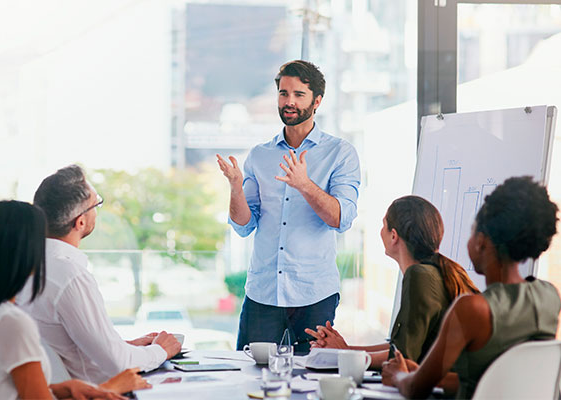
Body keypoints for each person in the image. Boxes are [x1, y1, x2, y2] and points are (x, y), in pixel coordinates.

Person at [217, 60, 361, 352]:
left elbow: (341, 218)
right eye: (283, 94)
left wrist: (304, 184)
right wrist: (235, 186)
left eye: (298, 94)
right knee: (251, 374)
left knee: (311, 377)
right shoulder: (259, 155)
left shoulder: (340, 153)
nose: (289, 102)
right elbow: (244, 225)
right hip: (263, 293)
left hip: (314, 295)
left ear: (317, 101)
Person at [382, 176, 561, 399]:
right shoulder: (549, 297)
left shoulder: (471, 309)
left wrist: (399, 375)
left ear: (480, 242)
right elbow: (493, 377)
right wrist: (421, 373)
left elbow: (416, 388)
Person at [0, 200, 149, 399]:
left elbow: (15, 392)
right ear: (28, 251)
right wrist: (109, 388)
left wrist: (68, 387)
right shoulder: (12, 323)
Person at [16, 165, 181, 385]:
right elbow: (117, 364)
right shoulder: (69, 277)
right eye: (97, 204)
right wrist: (161, 351)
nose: (98, 210)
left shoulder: (27, 267)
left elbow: (71, 348)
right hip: (98, 391)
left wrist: (125, 345)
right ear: (80, 221)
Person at [306, 196, 479, 369]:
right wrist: (345, 349)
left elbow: (401, 357)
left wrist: (344, 355)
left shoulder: (419, 275)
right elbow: (397, 346)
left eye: (383, 225)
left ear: (394, 236)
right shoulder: (432, 272)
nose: (380, 231)